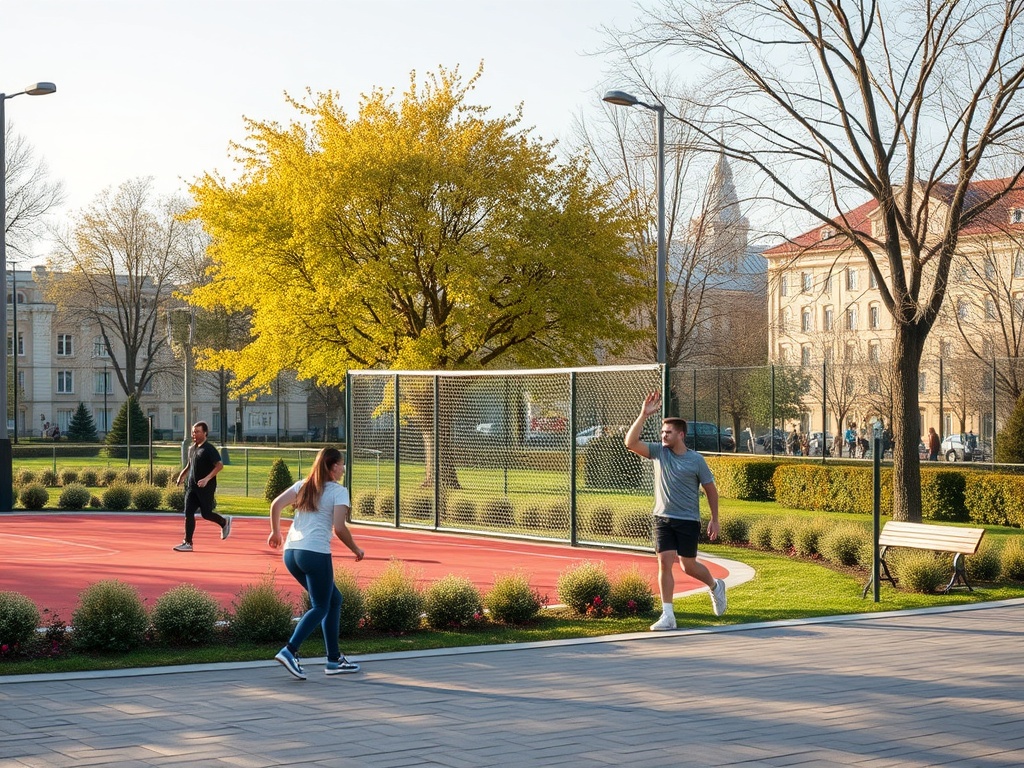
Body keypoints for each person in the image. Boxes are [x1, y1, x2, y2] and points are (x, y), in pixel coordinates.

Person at [625, 392, 727, 631]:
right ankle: (668, 615)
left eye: (668, 432)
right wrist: (643, 414)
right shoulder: (659, 452)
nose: (663, 436)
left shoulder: (696, 460)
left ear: (680, 434)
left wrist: (715, 519)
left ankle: (715, 586)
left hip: (688, 520)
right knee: (664, 562)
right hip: (662, 518)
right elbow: (630, 442)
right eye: (662, 432)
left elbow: (711, 491)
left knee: (688, 566)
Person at [269, 446, 365, 680]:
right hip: (314, 553)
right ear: (333, 467)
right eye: (341, 464)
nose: (343, 468)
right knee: (321, 606)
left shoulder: (303, 485)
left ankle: (334, 660)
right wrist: (356, 548)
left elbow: (276, 505)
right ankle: (289, 651)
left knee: (334, 600)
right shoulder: (339, 491)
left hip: (291, 553)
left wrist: (276, 533)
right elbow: (340, 528)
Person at [173, 421, 229, 551]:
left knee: (206, 514)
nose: (194, 434)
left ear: (205, 433)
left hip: (206, 487)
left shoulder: (209, 449)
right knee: (188, 513)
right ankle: (188, 543)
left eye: (197, 431)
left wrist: (206, 479)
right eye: (193, 431)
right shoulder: (192, 448)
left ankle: (224, 522)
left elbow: (219, 465)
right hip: (192, 487)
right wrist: (182, 476)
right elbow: (189, 465)